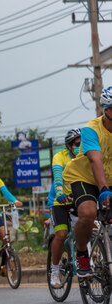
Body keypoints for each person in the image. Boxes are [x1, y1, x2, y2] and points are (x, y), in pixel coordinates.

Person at [63, 87, 112, 280]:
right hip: (84, 177)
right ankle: (82, 255)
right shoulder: (91, 130)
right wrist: (104, 189)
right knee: (88, 213)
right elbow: (95, 160)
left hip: (108, 178)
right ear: (105, 110)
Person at [48, 128, 81, 288]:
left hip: (79, 199)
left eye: (82, 144)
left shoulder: (85, 156)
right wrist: (60, 191)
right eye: (77, 144)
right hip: (61, 201)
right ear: (69, 146)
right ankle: (54, 271)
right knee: (61, 234)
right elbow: (58, 175)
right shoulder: (59, 157)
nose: (80, 147)